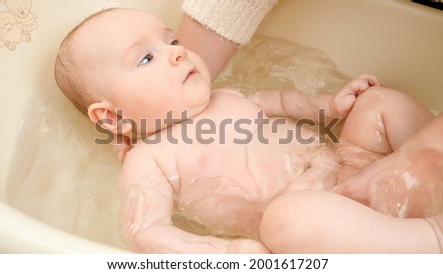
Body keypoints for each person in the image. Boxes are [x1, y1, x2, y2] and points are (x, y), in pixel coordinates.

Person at [54, 8, 443, 253]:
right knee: (286, 218)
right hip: (318, 224)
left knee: (378, 104)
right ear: (109, 118)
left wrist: (335, 106)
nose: (178, 50)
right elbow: (146, 231)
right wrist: (227, 255)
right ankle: (430, 240)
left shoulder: (227, 96)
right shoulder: (148, 158)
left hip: (349, 167)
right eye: (146, 57)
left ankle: (435, 168)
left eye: (171, 39)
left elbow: (292, 105)